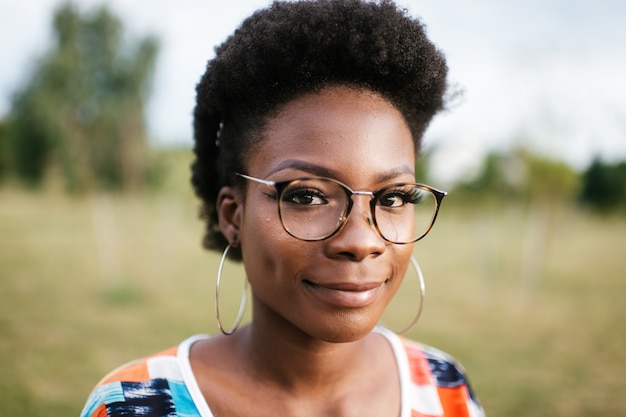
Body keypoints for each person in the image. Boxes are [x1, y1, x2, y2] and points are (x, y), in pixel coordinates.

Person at [80, 1, 485, 416]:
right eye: (306, 196)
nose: (362, 242)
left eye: (392, 198)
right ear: (233, 215)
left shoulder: (442, 387)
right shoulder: (134, 405)